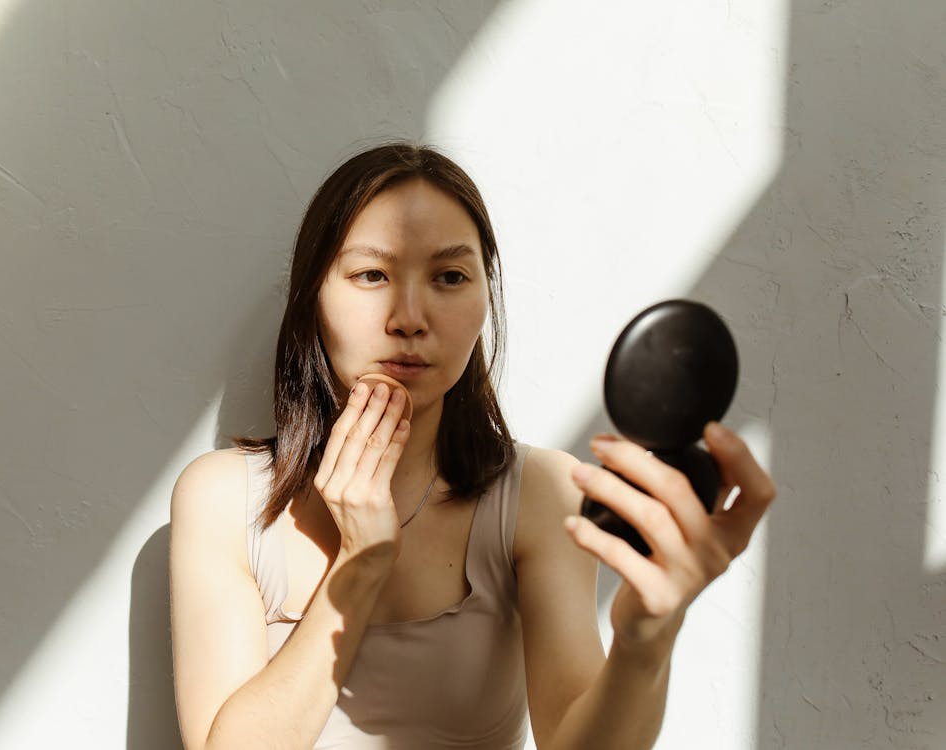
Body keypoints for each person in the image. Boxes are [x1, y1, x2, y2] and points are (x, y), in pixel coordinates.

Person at [168, 143, 776, 749]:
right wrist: (359, 566)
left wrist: (647, 635)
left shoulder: (539, 493)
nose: (408, 317)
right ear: (312, 298)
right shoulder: (225, 497)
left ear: (486, 300)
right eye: (371, 274)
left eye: (450, 277)